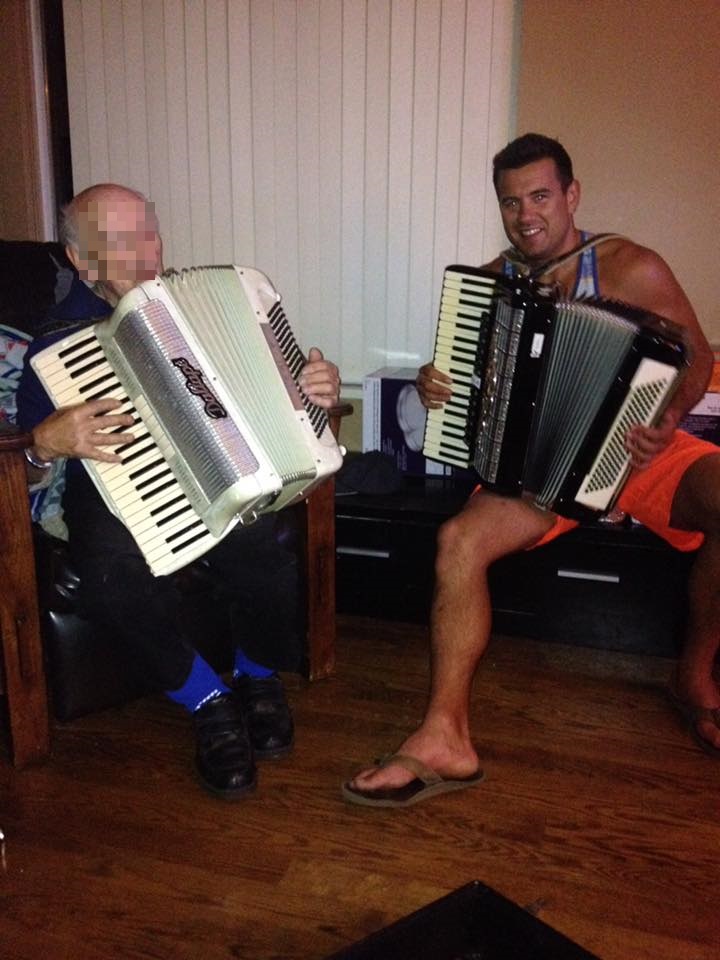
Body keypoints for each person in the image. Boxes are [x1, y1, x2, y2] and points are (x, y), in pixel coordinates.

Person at [343, 132, 720, 807]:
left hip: (641, 454)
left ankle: (694, 676)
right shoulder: (488, 285)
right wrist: (439, 383)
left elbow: (696, 355)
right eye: (511, 202)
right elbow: (460, 386)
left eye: (540, 195)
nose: (527, 215)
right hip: (546, 474)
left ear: (572, 195)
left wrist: (669, 417)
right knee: (457, 542)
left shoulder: (633, 266)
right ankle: (445, 739)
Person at [17, 183, 341, 800]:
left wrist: (314, 390)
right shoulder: (56, 346)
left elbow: (281, 402)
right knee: (112, 576)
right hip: (116, 491)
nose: (146, 250)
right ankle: (207, 699)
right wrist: (44, 444)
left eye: (149, 231)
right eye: (120, 240)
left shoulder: (209, 308)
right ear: (82, 261)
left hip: (219, 475)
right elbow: (26, 474)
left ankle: (257, 673)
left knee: (265, 552)